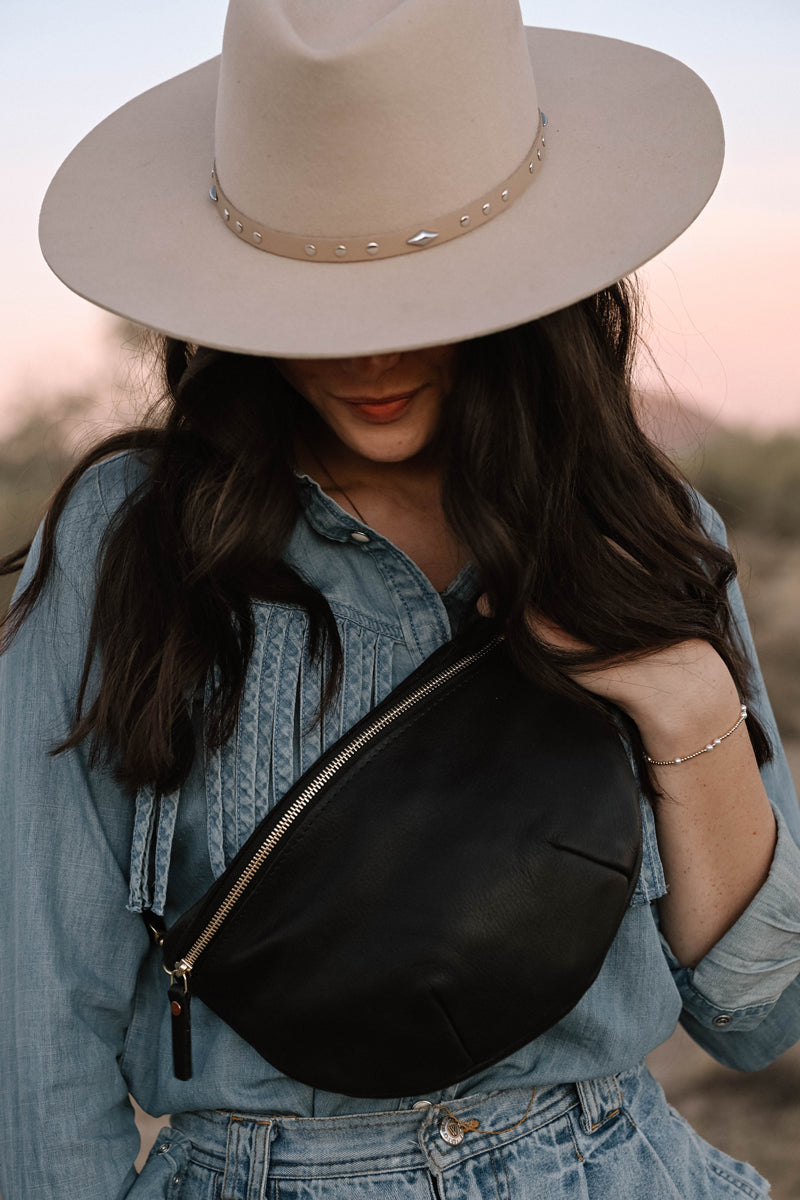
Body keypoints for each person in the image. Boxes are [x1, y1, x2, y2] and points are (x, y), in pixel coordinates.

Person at [1, 1, 799, 1196]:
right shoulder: (129, 541)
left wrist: (688, 705)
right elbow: (36, 1019)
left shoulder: (648, 532)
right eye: (315, 302)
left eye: (422, 295)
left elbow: (756, 1018)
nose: (369, 358)